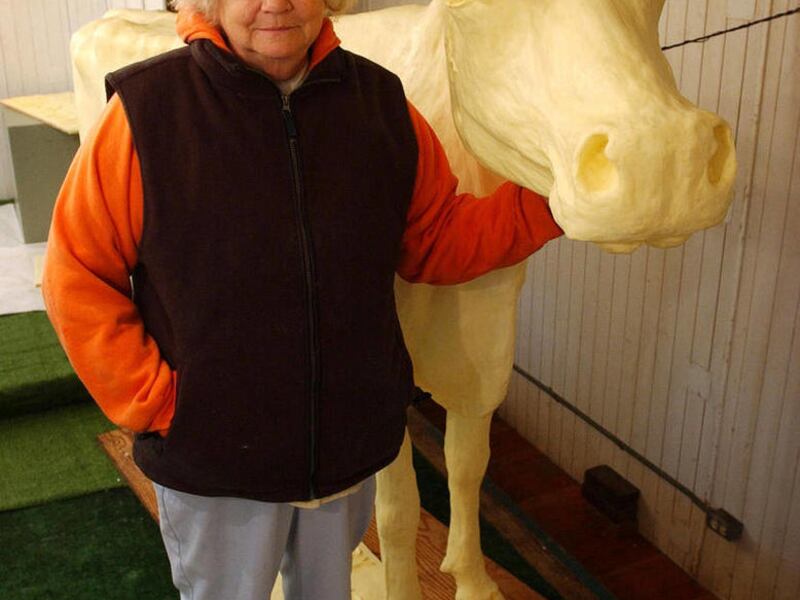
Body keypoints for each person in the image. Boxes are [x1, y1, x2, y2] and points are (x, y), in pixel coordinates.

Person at [42, 0, 563, 598]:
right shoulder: (148, 112)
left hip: (344, 450)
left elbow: (435, 239)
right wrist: (160, 404)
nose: (277, 4)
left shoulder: (382, 105)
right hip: (216, 464)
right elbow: (76, 273)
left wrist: (551, 204)